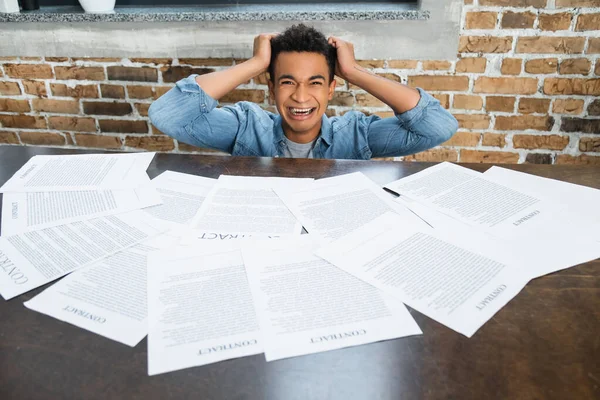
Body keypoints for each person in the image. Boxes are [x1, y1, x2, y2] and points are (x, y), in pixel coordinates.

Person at [149, 24, 458, 159]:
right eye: (287, 82)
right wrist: (256, 63)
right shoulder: (245, 127)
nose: (300, 96)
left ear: (331, 89)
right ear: (270, 88)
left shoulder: (355, 134)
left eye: (314, 82)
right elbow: (167, 116)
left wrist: (354, 72)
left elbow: (438, 129)